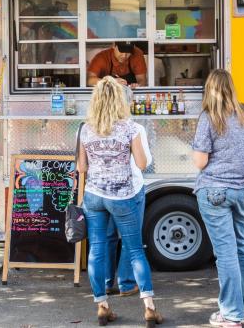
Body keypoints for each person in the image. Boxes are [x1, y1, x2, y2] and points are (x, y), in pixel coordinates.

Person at [77, 77, 162, 327]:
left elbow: (81, 167)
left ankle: (102, 307)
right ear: (120, 100)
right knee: (135, 251)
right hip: (123, 196)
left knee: (97, 250)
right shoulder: (131, 128)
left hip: (93, 196)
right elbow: (143, 164)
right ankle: (149, 309)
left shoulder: (85, 128)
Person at [191, 69, 244, 328]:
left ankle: (231, 314)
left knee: (225, 254)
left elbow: (201, 161)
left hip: (215, 191)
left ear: (209, 90)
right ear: (232, 88)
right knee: (242, 246)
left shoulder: (209, 117)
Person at [105, 86, 152, 297]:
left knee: (105, 237)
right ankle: (126, 283)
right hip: (130, 189)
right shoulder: (135, 128)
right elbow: (145, 162)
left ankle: (105, 283)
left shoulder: (91, 127)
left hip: (101, 191)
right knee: (130, 238)